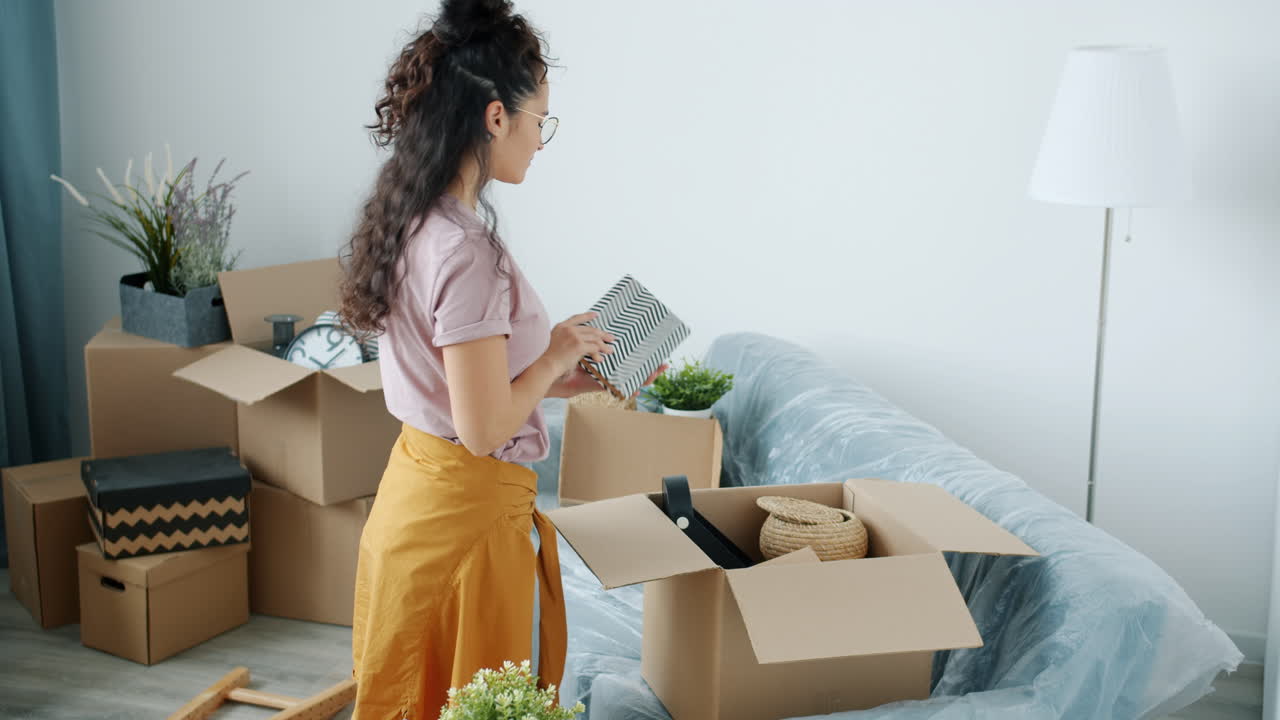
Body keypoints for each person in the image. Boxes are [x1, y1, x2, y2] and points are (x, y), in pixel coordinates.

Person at [338, 1, 659, 717]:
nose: (542, 139)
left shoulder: (415, 221)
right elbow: (483, 431)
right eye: (539, 120)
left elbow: (468, 392)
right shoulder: (465, 252)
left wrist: (572, 373)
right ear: (494, 117)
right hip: (462, 533)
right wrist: (551, 356)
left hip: (418, 507)